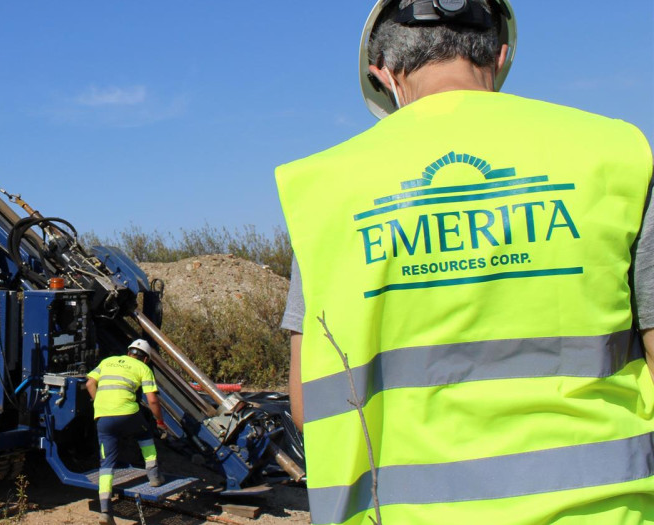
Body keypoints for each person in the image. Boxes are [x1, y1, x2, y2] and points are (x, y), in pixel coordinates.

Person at [275, 1, 654, 524]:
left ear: (381, 73)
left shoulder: (323, 192)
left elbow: (306, 403)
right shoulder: (613, 154)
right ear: (498, 57)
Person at [85, 339, 168, 525]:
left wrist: (100, 403)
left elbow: (90, 383)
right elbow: (152, 401)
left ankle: (105, 510)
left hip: (103, 418)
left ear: (129, 352)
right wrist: (160, 422)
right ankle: (154, 476)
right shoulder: (143, 368)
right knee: (145, 433)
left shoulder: (107, 361)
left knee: (106, 463)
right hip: (128, 415)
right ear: (145, 359)